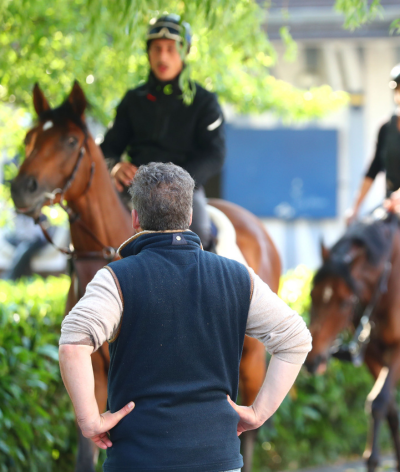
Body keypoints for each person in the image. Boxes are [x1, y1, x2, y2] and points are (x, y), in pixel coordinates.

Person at [59, 162, 312, 472]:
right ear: (190, 216)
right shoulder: (238, 276)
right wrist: (259, 412)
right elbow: (297, 338)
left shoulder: (114, 278)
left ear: (136, 217)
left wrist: (89, 420)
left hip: (137, 460)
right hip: (219, 459)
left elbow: (73, 342)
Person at [100, 14, 225, 252]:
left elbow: (214, 155)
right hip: (133, 191)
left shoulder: (205, 101)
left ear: (185, 51)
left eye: (171, 48)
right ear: (148, 53)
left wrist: (178, 185)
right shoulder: (132, 100)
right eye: (156, 48)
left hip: (185, 193)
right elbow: (107, 149)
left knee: (200, 240)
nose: (163, 56)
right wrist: (115, 166)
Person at [347, 64, 400, 225]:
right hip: (390, 206)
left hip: (396, 202)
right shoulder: (386, 128)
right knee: (361, 237)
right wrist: (355, 208)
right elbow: (373, 169)